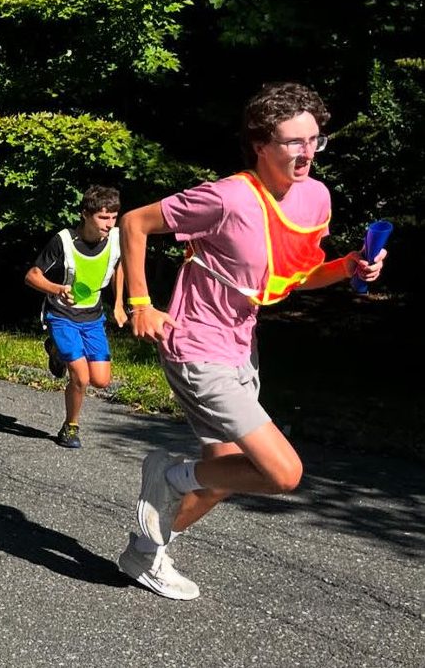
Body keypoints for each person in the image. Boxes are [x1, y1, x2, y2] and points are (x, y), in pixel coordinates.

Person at [116, 82, 386, 601]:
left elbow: (300, 274)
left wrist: (350, 266)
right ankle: (165, 476)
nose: (306, 152)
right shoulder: (226, 197)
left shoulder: (314, 197)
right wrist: (142, 302)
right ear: (261, 144)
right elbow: (135, 222)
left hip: (242, 343)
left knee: (220, 477)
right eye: (292, 142)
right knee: (283, 473)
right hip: (195, 344)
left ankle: (144, 554)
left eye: (314, 140)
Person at [24, 185, 127, 448]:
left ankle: (55, 350)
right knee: (80, 376)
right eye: (103, 218)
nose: (109, 224)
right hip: (62, 314)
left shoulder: (116, 238)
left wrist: (118, 304)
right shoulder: (64, 240)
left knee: (101, 380)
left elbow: (118, 267)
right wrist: (58, 289)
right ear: (85, 214)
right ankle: (70, 427)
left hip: (93, 316)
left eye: (113, 217)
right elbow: (32, 276)